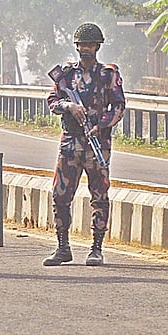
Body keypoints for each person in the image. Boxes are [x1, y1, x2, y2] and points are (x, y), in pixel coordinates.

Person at [43, 22, 126, 267]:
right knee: (60, 195)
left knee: (99, 195)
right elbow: (52, 101)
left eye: (90, 45)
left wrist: (100, 124)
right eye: (82, 45)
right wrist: (69, 106)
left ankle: (96, 248)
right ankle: (62, 247)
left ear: (98, 46)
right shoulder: (67, 75)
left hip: (97, 142)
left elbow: (119, 106)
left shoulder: (107, 75)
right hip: (70, 142)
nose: (85, 49)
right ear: (76, 46)